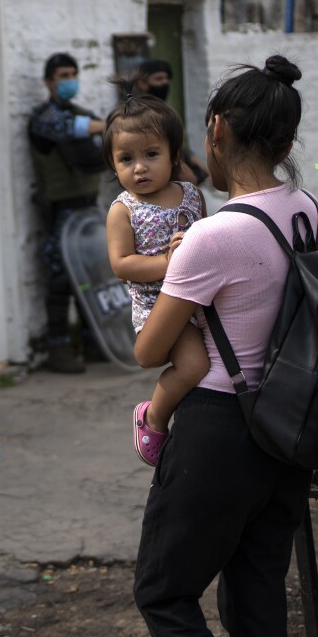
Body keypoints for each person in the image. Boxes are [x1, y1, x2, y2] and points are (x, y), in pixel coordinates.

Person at [131, 55, 312, 637]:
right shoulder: (305, 209)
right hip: (284, 429)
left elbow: (148, 351)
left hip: (216, 429)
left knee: (164, 590)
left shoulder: (212, 237)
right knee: (254, 590)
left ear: (215, 131)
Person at [102, 94, 209, 467]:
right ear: (113, 166)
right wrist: (168, 263)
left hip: (202, 301)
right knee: (195, 367)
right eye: (126, 159)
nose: (140, 168)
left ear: (173, 154)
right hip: (158, 306)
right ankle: (153, 417)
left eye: (151, 154)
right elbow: (122, 264)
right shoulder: (123, 209)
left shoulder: (193, 196)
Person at [28, 52, 107, 375]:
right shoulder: (44, 117)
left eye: (73, 73)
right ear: (49, 81)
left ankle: (93, 342)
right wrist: (109, 125)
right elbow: (70, 129)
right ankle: (58, 348)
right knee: (61, 280)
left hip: (87, 208)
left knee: (92, 276)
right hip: (61, 212)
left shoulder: (82, 113)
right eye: (63, 74)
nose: (69, 79)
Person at [134, 59, 208, 186]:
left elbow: (178, 144)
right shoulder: (136, 115)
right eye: (158, 79)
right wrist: (189, 177)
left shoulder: (165, 110)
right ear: (142, 83)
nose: (165, 82)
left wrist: (193, 160)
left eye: (166, 78)